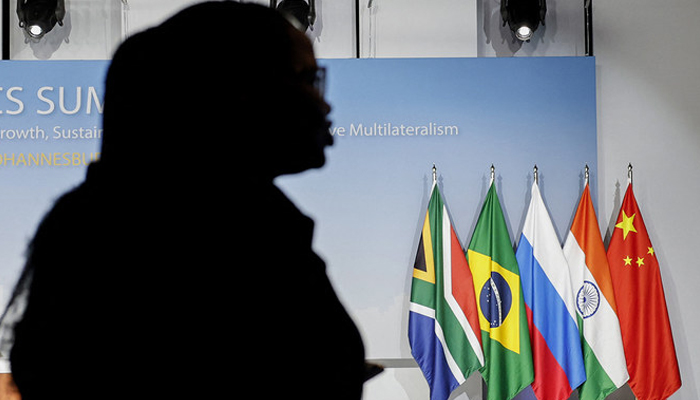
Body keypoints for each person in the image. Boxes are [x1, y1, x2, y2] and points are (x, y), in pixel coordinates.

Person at [0, 2, 367, 399]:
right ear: (237, 94)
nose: (324, 104)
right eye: (307, 79)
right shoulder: (230, 236)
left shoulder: (93, 222)